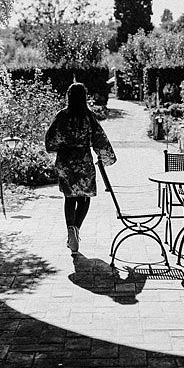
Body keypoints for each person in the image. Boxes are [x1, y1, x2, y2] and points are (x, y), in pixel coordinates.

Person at [45, 82, 116, 253]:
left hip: (66, 163)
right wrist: (106, 157)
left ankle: (71, 230)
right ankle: (76, 228)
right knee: (85, 197)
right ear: (84, 97)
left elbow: (50, 140)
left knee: (70, 198)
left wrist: (61, 146)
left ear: (68, 96)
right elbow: (100, 139)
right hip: (83, 161)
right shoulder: (88, 116)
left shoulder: (62, 115)